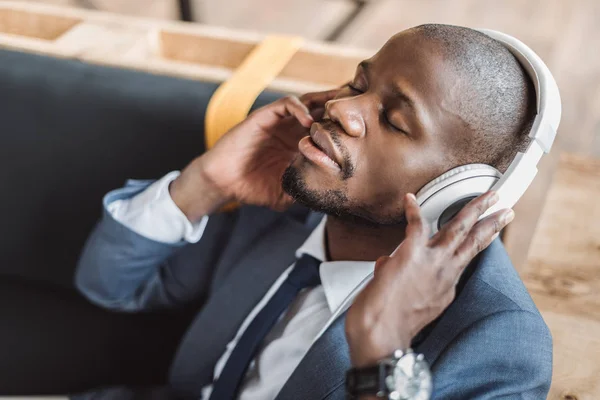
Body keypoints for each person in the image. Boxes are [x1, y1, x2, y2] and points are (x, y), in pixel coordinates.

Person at [74, 24, 552, 399]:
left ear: (459, 189)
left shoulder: (499, 339)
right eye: (357, 83)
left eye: (393, 120)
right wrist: (206, 183)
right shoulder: (287, 211)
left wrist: (383, 357)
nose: (343, 108)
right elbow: (110, 284)